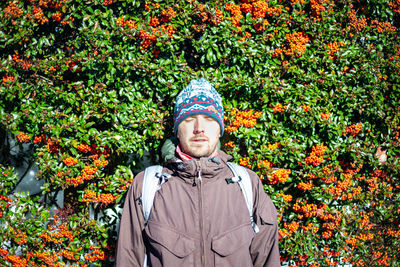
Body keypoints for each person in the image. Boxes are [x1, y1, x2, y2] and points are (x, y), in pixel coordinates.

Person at [115, 78, 280, 266]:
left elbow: (268, 259)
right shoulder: (146, 186)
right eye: (189, 119)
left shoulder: (247, 184)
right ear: (177, 130)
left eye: (209, 119)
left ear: (220, 130)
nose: (199, 128)